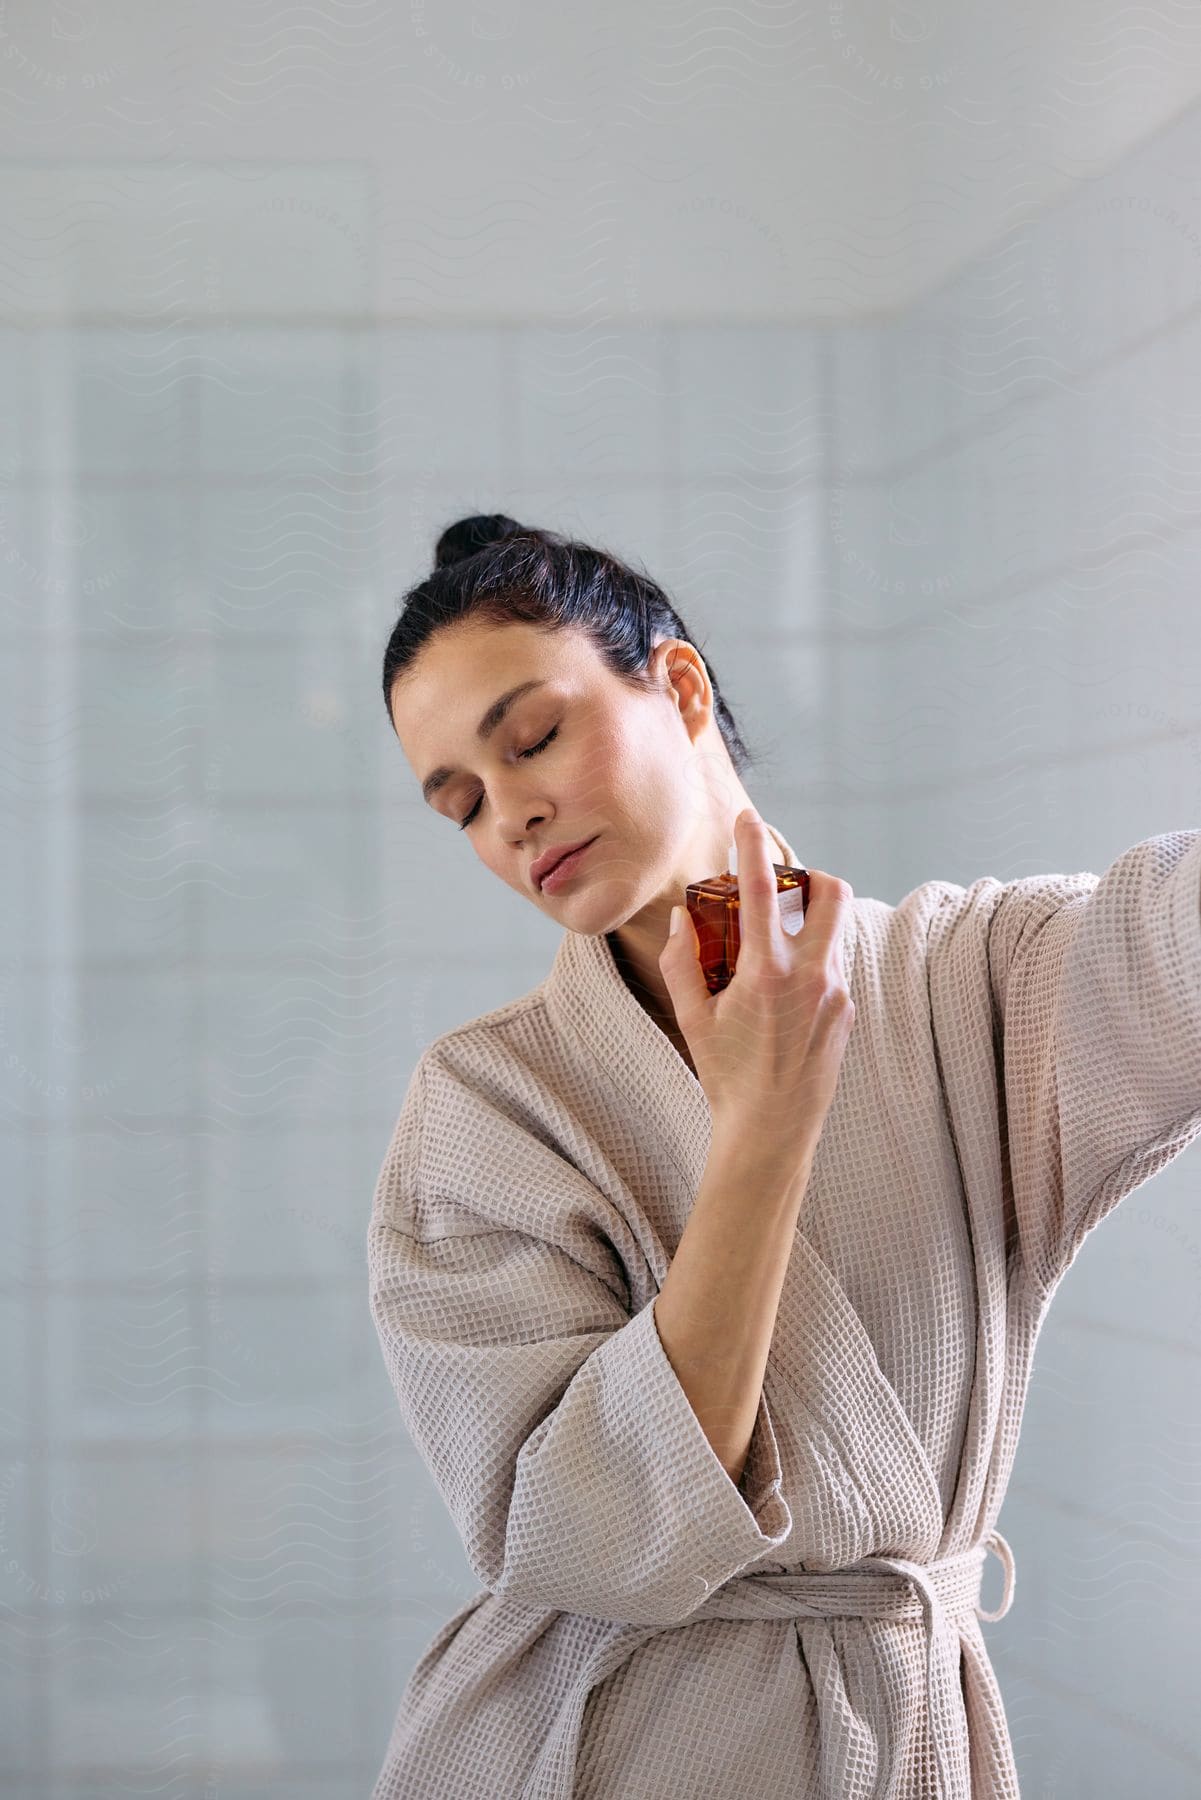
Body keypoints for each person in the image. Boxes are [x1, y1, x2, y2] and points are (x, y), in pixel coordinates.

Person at [367, 513, 1201, 1799]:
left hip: (901, 1731)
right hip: (608, 1752)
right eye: (462, 803)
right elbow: (585, 1535)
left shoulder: (964, 983)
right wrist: (761, 1127)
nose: (512, 815)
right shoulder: (489, 1107)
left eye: (533, 737)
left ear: (679, 685)